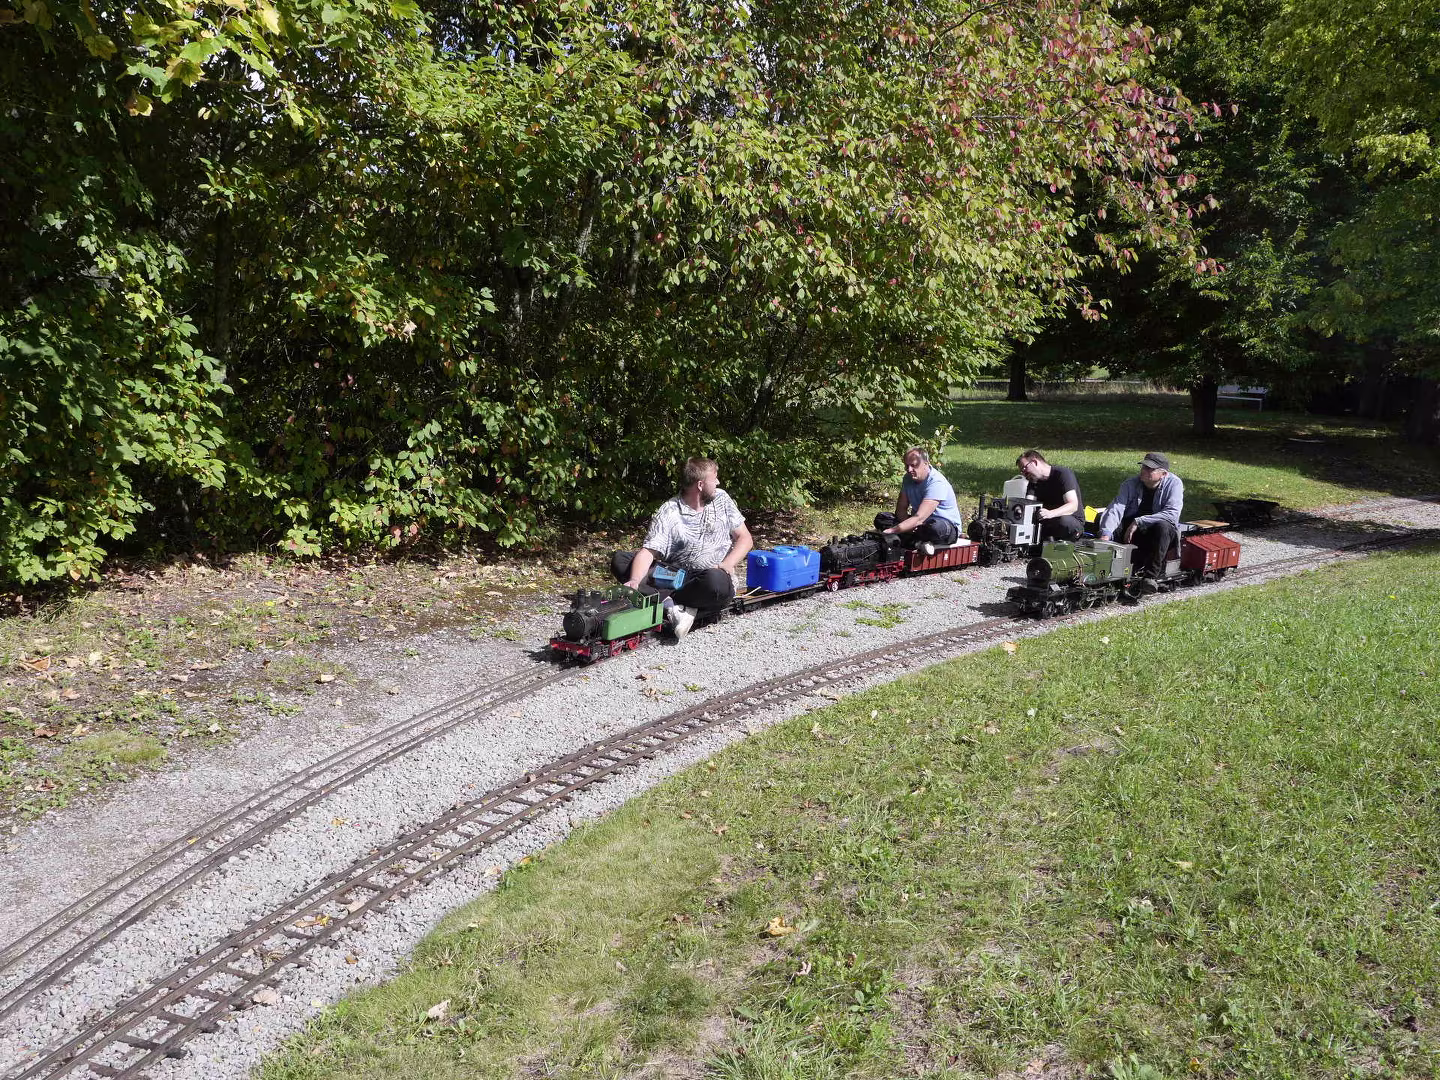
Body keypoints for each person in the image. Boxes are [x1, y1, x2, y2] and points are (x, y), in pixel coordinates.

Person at [611, 456, 753, 638]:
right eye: (714, 478)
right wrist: (635, 579)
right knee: (621, 560)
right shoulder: (669, 511)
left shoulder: (721, 499)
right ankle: (674, 605)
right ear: (700, 485)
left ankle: (665, 601)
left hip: (708, 577)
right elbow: (648, 551)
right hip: (675, 577)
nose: (718, 482)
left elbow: (745, 538)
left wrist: (728, 563)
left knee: (715, 582)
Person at [1097, 452, 1184, 583]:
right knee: (1104, 519)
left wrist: (1138, 521)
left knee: (1163, 526)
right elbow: (1116, 508)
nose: (1144, 471)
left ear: (1163, 474)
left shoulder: (1174, 484)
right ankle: (1110, 567)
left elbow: (1172, 514)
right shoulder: (1130, 484)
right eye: (1143, 467)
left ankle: (1150, 577)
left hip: (1157, 535)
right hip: (1133, 533)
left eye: (1150, 469)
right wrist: (1105, 534)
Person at [873, 446, 963, 555]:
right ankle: (917, 541)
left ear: (926, 463)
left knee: (934, 528)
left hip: (943, 526)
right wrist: (909, 526)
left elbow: (919, 518)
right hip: (919, 525)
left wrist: (893, 530)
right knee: (882, 518)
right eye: (907, 466)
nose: (909, 469)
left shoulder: (936, 483)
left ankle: (914, 540)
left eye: (914, 465)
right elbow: (901, 509)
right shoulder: (908, 478)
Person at [1016, 449, 1084, 541]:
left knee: (1063, 522)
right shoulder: (1033, 481)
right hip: (1048, 520)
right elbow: (1029, 504)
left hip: (1071, 521)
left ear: (1034, 462)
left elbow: (1073, 505)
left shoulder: (1062, 474)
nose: (1024, 475)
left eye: (1024, 469)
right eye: (1022, 472)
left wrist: (1051, 513)